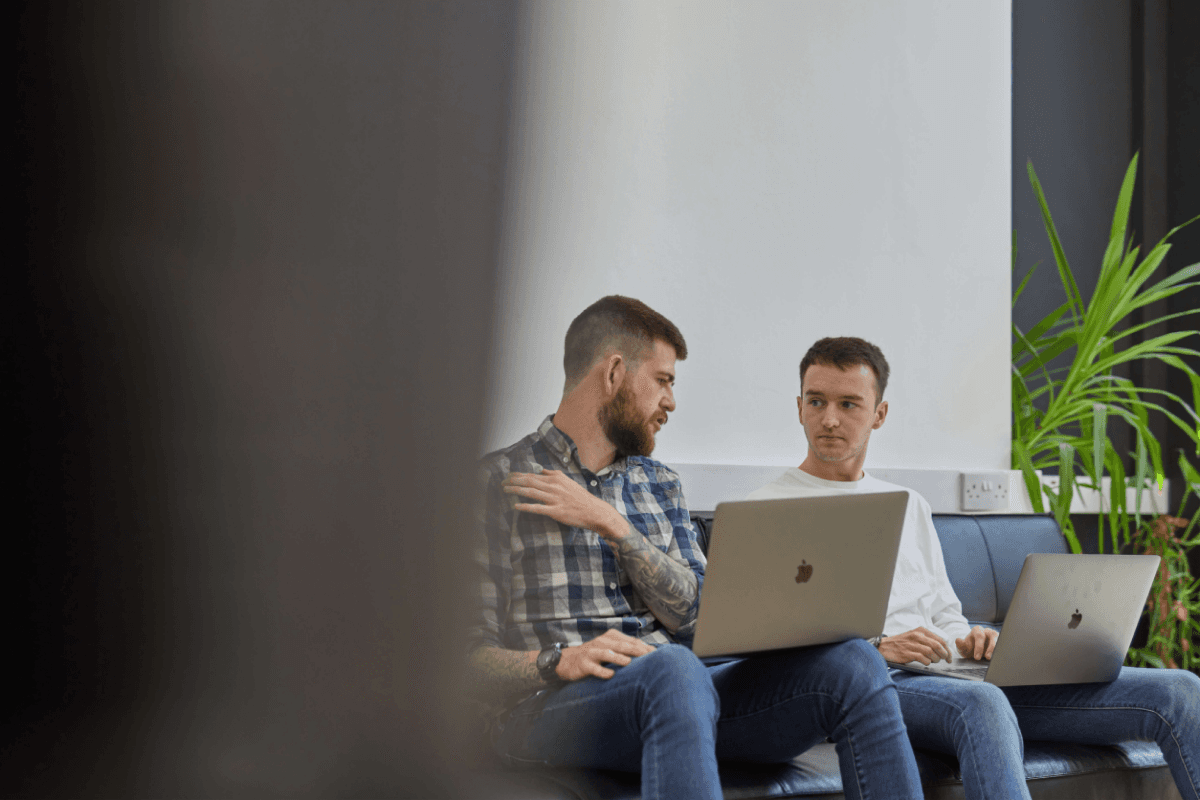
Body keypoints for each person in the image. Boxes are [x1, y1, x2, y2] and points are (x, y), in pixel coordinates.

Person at [469, 297, 923, 800]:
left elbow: (704, 619)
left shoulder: (660, 485)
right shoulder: (494, 484)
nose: (671, 402)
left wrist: (614, 526)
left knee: (855, 661)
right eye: (663, 380)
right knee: (672, 668)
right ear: (615, 372)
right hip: (549, 707)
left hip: (685, 694)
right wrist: (560, 659)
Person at [747, 336, 1200, 800]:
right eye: (817, 401)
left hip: (952, 673)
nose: (829, 419)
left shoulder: (910, 506)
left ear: (879, 414)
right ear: (799, 406)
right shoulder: (765, 510)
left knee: (1181, 691)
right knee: (981, 703)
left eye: (848, 404)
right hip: (879, 687)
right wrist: (876, 647)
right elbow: (770, 651)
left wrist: (972, 638)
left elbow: (946, 615)